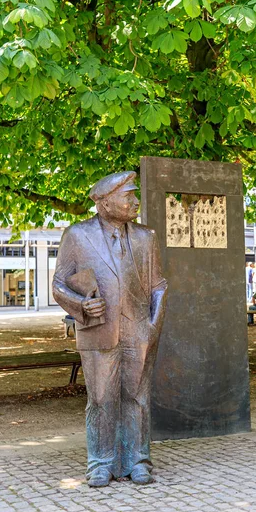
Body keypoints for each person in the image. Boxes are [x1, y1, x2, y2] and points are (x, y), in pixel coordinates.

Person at [53, 171, 168, 488]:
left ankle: (138, 460)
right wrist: (81, 306)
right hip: (97, 331)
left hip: (139, 332)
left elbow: (159, 286)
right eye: (127, 196)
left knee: (138, 397)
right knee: (101, 398)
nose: (135, 202)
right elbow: (59, 285)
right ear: (104, 203)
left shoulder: (146, 237)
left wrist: (153, 325)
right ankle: (100, 463)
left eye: (134, 195)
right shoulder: (77, 236)